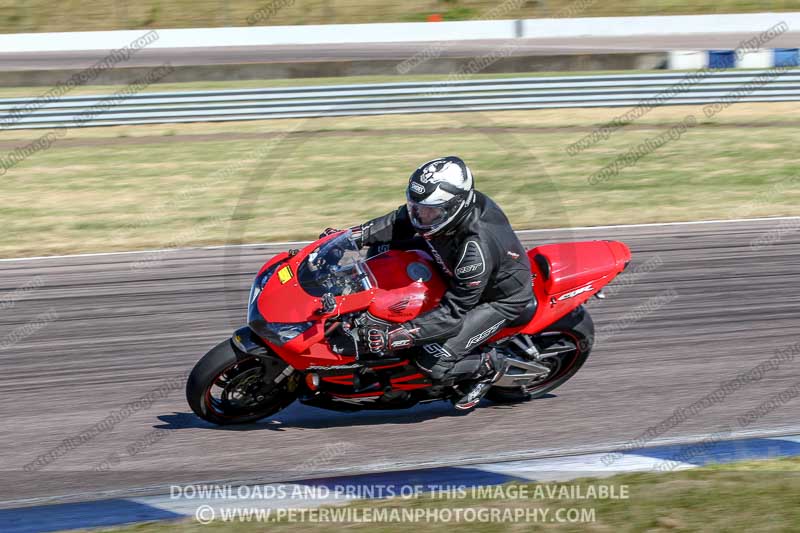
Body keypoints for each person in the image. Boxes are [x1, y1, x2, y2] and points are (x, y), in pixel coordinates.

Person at [321, 156, 535, 410]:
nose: (420, 216)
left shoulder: (475, 250)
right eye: (417, 207)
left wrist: (395, 337)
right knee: (380, 247)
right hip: (448, 262)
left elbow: (453, 313)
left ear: (455, 206)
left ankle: (488, 366)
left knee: (432, 361)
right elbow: (399, 220)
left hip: (494, 299)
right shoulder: (445, 213)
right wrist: (350, 238)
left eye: (430, 211)